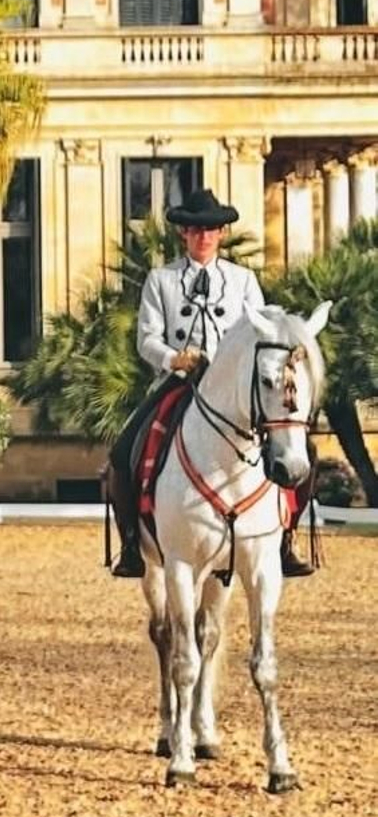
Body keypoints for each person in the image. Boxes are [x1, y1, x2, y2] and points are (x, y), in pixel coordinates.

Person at [106, 188, 314, 578]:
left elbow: (263, 331)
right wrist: (174, 358)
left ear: (221, 234)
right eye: (197, 230)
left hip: (232, 389)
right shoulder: (161, 279)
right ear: (184, 233)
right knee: (122, 454)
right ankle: (132, 544)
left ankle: (287, 540)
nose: (205, 237)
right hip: (178, 382)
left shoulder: (243, 280)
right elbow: (146, 338)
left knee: (305, 450)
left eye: (213, 230)